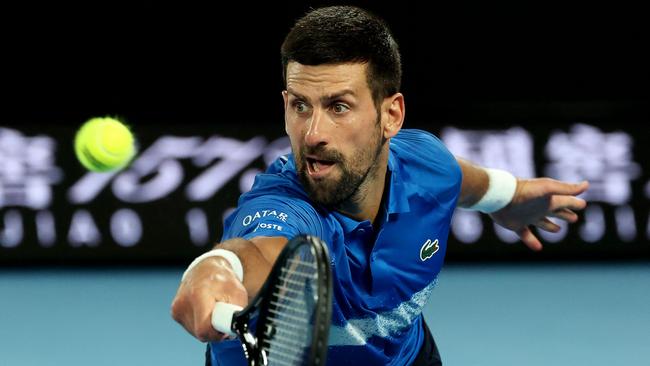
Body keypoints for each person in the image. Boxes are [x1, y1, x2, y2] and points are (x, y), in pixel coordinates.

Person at [172, 5, 589, 365]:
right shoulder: (284, 208)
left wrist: (507, 197)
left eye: (339, 107)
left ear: (391, 116)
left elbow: (461, 179)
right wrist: (215, 268)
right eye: (300, 106)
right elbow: (257, 249)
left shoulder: (427, 166)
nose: (313, 133)